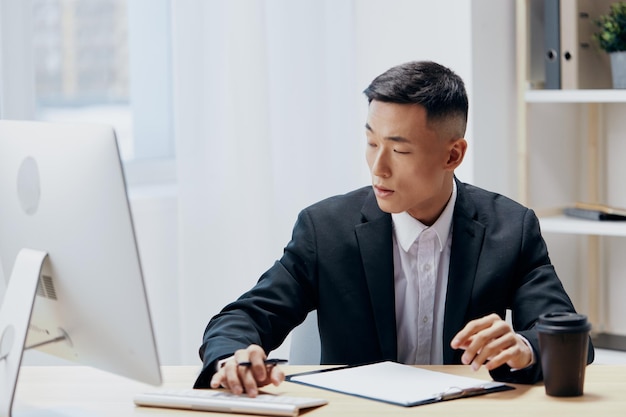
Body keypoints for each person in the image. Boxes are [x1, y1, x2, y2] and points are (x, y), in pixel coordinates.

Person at [193, 60, 594, 396]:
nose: (378, 167)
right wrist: (233, 357)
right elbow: (244, 316)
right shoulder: (325, 229)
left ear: (453, 154)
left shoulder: (510, 227)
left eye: (400, 150)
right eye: (371, 143)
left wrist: (522, 346)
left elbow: (569, 335)